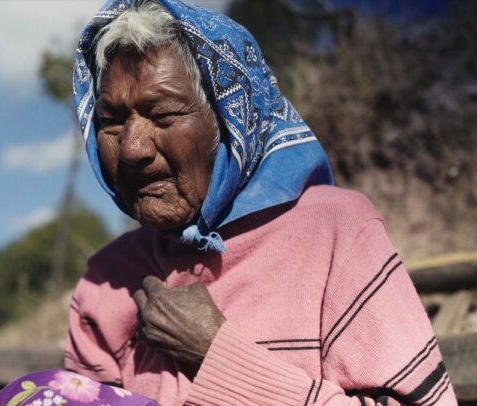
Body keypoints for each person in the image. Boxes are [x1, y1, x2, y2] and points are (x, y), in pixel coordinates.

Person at [58, 0, 458, 405]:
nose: (132, 149)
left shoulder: (336, 234)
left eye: (162, 116)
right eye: (111, 121)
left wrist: (217, 354)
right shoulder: (105, 281)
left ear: (232, 122)